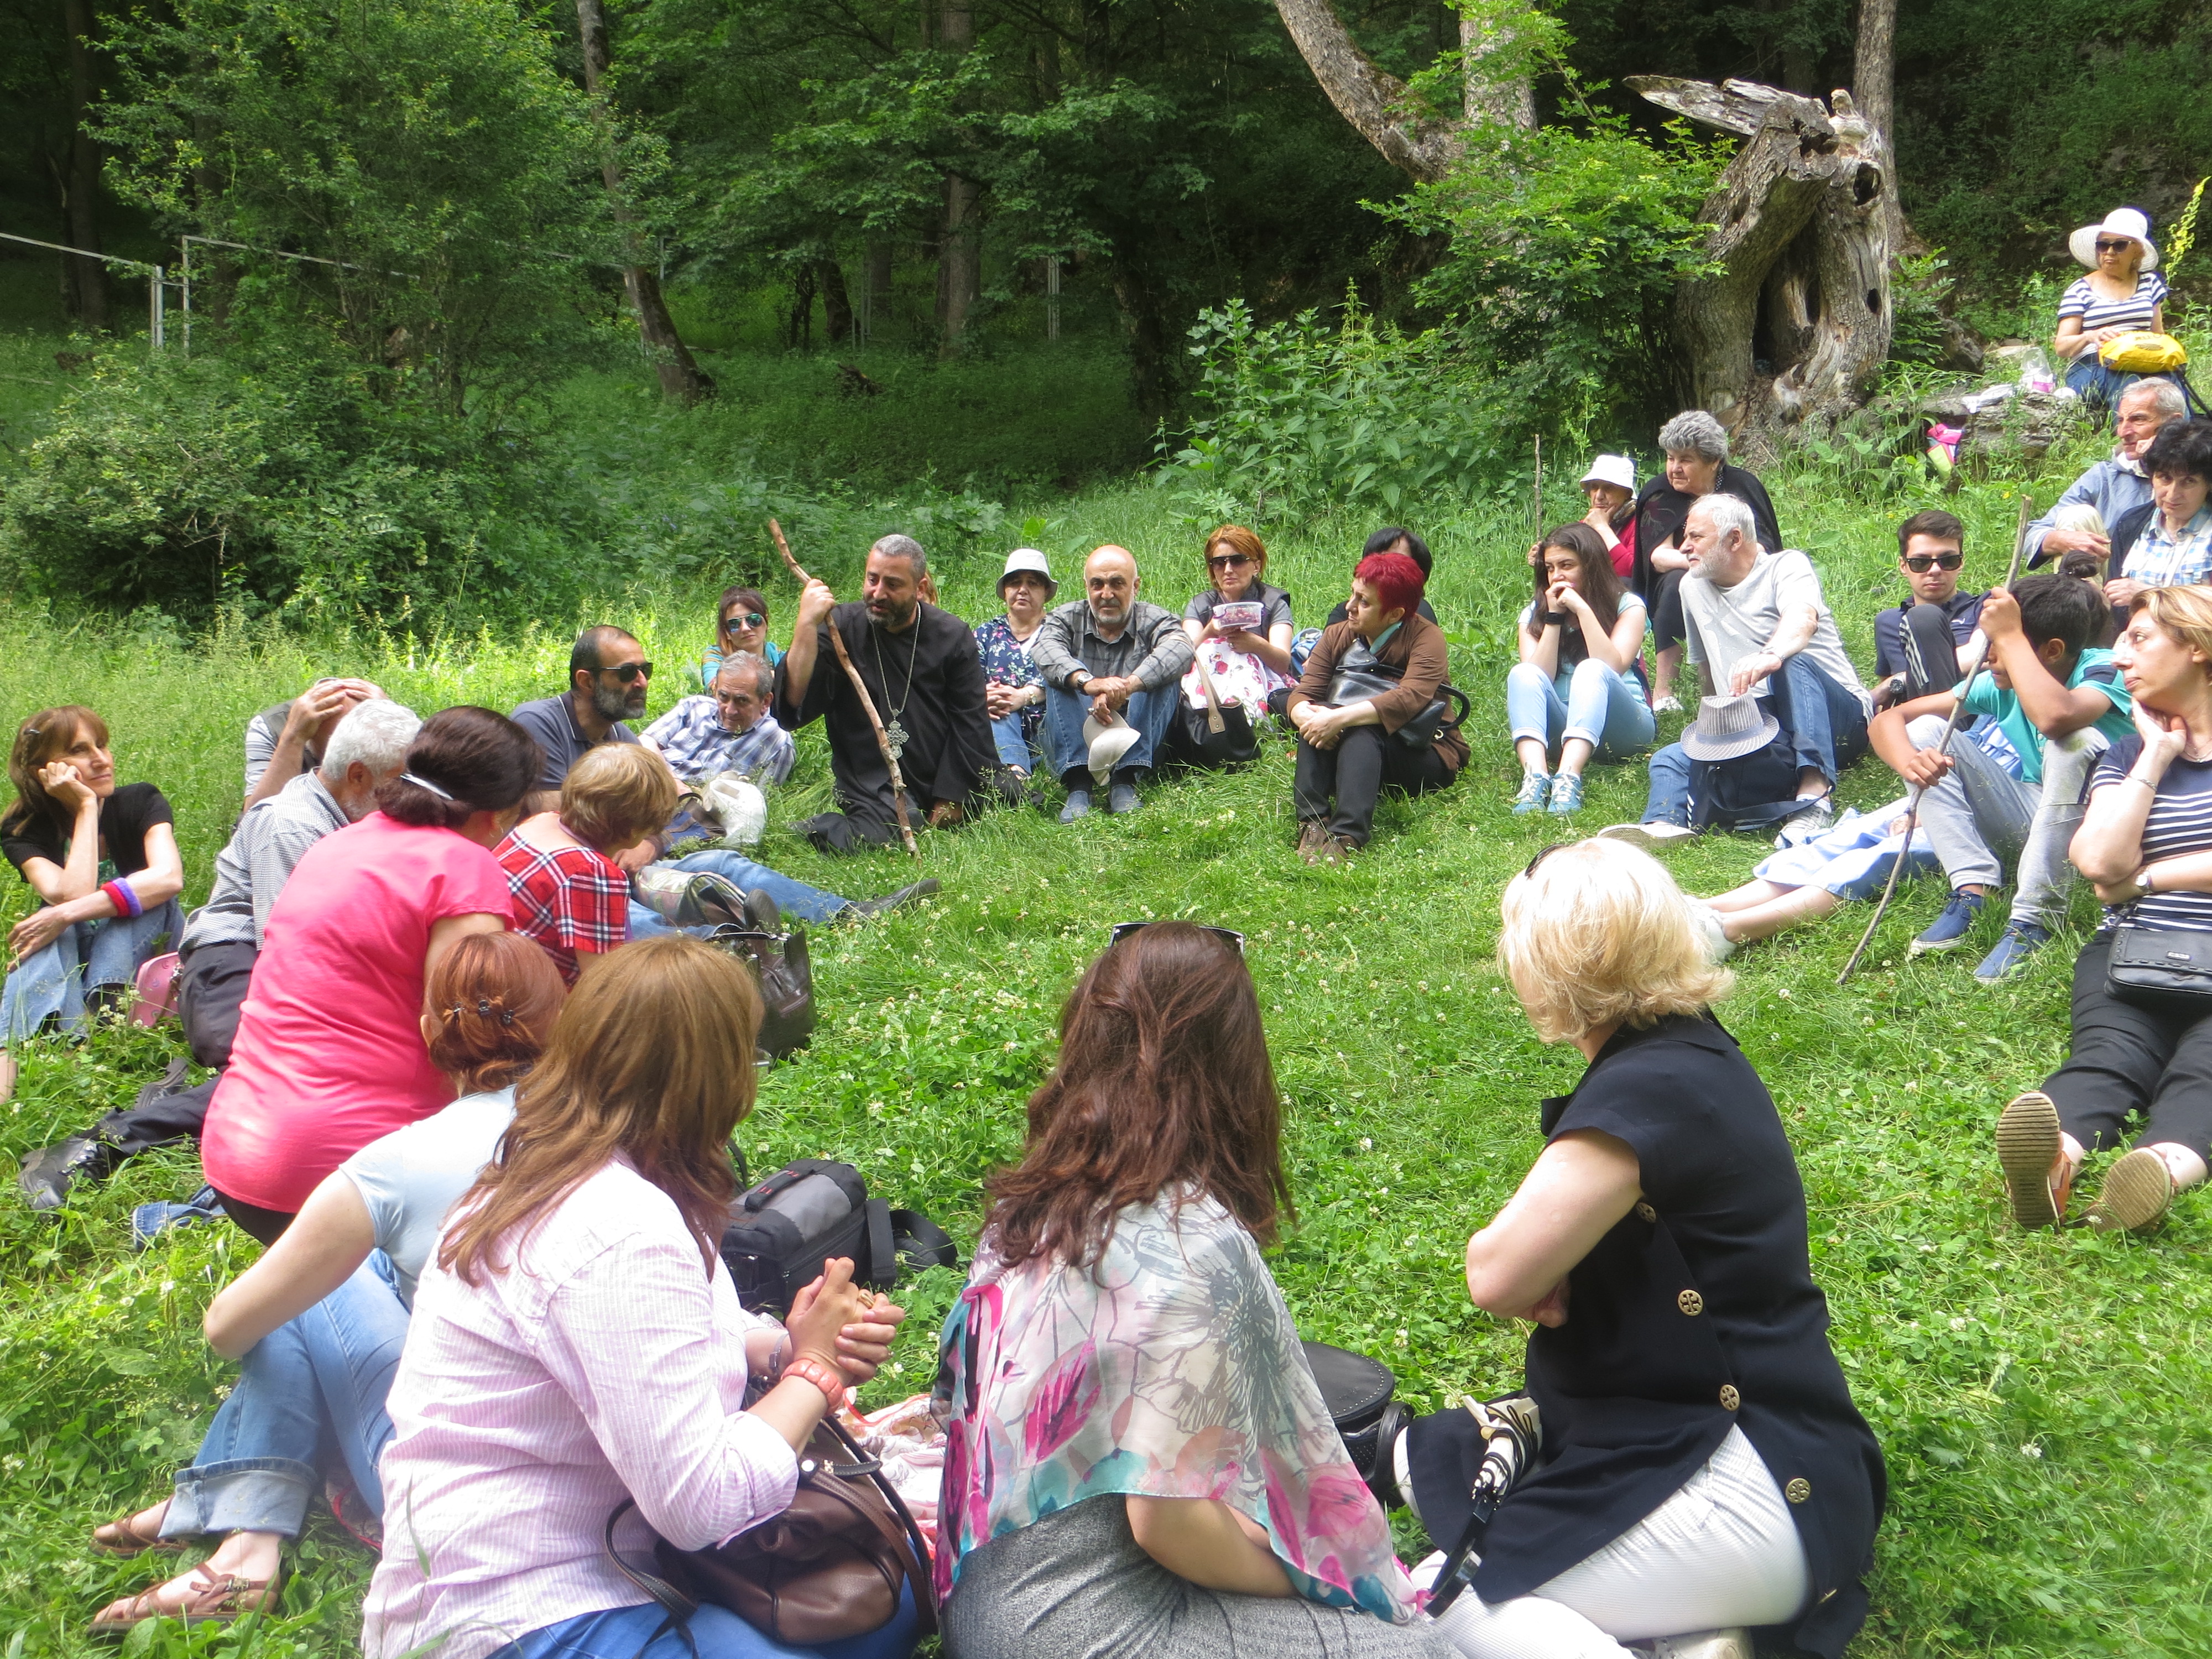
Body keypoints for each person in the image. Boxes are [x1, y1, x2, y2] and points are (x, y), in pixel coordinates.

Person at [362, 935, 916, 1659]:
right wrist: (815, 1372)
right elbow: (700, 1505)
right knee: (886, 1596)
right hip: (526, 1612)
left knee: (882, 1597)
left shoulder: (552, 1170)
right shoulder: (622, 1229)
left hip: (483, 1571)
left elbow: (662, 1338)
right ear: (715, 1082)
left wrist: (784, 1344)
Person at [935, 921, 1451, 1659]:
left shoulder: (1031, 1206)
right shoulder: (1191, 1241)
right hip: (1084, 1630)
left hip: (977, 1605)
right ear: (1233, 1064)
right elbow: (1165, 1527)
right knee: (1424, 1650)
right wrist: (1315, 1594)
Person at [1431, 838, 1884, 1659]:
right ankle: (1687, 1635)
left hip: (1755, 1485)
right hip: (1795, 1451)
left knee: (1440, 1599)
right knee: (1446, 1465)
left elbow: (1494, 1276)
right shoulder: (1688, 1052)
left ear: (1547, 970)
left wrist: (1542, 1265)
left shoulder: (1644, 1089)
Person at [87, 933, 562, 1632]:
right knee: (360, 1266)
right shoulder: (610, 1139)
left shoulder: (399, 1163)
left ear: (428, 1029)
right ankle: (243, 1522)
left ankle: (245, 1532)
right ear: (562, 1023)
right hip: (583, 1490)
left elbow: (227, 1329)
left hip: (453, 1497)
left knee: (314, 1280)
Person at [15, 701, 422, 1214]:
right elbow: (292, 954)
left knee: (304, 1068)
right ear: (358, 776)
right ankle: (100, 1143)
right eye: (401, 782)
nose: (411, 798)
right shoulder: (295, 826)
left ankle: (179, 1103)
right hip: (232, 957)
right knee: (286, 1069)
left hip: (279, 959)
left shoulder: (363, 817)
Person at [200, 706, 539, 1245]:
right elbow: (468, 1038)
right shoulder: (463, 866)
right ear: (500, 816)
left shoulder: (337, 842)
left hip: (237, 1154)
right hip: (345, 1180)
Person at [1996, 585, 2212, 1237]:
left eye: (2139, 639)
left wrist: (2145, 878)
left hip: (2147, 920)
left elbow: (2121, 877)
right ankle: (2052, 1164)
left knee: (2205, 1069)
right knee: (2107, 1057)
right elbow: (2095, 861)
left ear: (2197, 647)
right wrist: (2155, 757)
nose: (2119, 657)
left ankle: (2155, 1171)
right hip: (2134, 952)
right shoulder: (2127, 754)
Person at [1867, 574, 2135, 973]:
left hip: (2107, 833)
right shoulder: (1999, 683)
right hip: (2039, 818)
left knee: (2074, 740)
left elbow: (2057, 718)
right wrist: (1909, 761)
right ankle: (1974, 888)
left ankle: (2035, 917)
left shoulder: (2103, 668)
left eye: (1999, 645)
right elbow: (1890, 720)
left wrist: (2009, 635)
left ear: (2053, 650)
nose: (1986, 656)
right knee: (1926, 732)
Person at [1609, 495, 1867, 848]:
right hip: (1761, 724)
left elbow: (1802, 619)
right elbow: (1707, 668)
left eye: (1696, 537)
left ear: (1734, 539)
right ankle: (1664, 824)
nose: (1684, 547)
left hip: (1836, 717)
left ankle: (1814, 799)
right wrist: (1711, 729)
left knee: (1792, 663)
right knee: (1671, 757)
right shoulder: (1692, 586)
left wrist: (1770, 655)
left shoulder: (1786, 566)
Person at [777, 533, 999, 853]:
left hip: (941, 766)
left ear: (920, 588)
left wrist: (953, 796)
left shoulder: (952, 635)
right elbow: (793, 699)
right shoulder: (842, 627)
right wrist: (806, 625)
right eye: (872, 579)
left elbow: (971, 722)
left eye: (893, 584)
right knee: (888, 832)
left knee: (1006, 794)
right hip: (872, 775)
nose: (878, 593)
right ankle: (816, 828)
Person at [2, 707, 184, 1045]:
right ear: (42, 771)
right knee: (48, 930)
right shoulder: (22, 829)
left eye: (101, 745)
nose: (101, 760)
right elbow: (72, 893)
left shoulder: (141, 800)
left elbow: (169, 877)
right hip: (75, 954)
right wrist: (86, 809)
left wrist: (63, 914)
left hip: (144, 947)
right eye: (79, 751)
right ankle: (16, 1059)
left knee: (121, 907)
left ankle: (97, 1023)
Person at [1287, 551, 1466, 860]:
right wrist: (1304, 713)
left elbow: (1409, 697)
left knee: (1360, 730)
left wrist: (1340, 718)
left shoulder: (1427, 638)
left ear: (1395, 614)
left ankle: (1347, 835)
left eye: (1364, 602)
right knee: (1316, 717)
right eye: (1353, 594)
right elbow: (1305, 690)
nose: (1349, 607)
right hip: (1354, 749)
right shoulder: (1337, 634)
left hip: (1423, 751)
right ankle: (1312, 823)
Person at [1624, 413, 1783, 713]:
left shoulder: (1743, 486)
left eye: (1686, 460)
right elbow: (1658, 556)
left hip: (1740, 573)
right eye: (1670, 458)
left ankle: (1734, 679)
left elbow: (1762, 546)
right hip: (1676, 576)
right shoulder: (1660, 490)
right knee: (1680, 583)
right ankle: (1664, 692)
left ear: (1714, 462)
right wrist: (1703, 565)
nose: (1675, 468)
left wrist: (1723, 566)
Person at [1030, 544, 1197, 820]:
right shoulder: (1065, 618)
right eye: (1097, 584)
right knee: (1060, 673)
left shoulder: (1156, 619)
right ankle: (1078, 784)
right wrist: (1087, 683)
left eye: (1117, 583)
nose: (1106, 594)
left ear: (1136, 586)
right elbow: (1045, 649)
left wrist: (1127, 686)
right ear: (1086, 586)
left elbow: (1182, 649)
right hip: (1075, 731)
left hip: (1136, 732)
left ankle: (1125, 779)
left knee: (1164, 672)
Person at [500, 744, 681, 985]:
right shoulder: (593, 872)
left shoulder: (541, 822)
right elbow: (601, 980)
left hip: (498, 968)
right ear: (635, 830)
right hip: (537, 994)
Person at [1506, 524, 1653, 816]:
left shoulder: (1628, 606)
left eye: (1567, 566)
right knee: (1522, 672)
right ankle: (1535, 778)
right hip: (1562, 728)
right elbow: (1539, 677)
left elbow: (1612, 666)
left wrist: (1583, 610)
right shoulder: (1534, 613)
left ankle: (1568, 778)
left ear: (1591, 565)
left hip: (1624, 728)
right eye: (1550, 568)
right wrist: (1554, 618)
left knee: (1592, 669)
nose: (1557, 576)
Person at [2025, 378, 2188, 567]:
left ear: (2174, 423)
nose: (2123, 432)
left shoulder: (2200, 473)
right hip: (2112, 577)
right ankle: (2080, 588)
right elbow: (2035, 534)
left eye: (2138, 419)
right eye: (2121, 420)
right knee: (2075, 515)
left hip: (2184, 578)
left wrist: (2161, 457)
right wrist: (2061, 540)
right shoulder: (2104, 476)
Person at [512, 627, 653, 825]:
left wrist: (647, 838)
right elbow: (555, 819)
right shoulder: (537, 722)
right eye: (627, 673)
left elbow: (652, 813)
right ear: (587, 681)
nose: (642, 683)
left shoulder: (621, 737)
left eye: (645, 670)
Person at [2054, 207, 2170, 411]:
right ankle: (2128, 431)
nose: (2109, 252)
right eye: (2103, 245)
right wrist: (2091, 336)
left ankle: (2183, 432)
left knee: (2169, 387)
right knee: (2130, 385)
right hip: (2093, 364)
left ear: (2137, 250)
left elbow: (2158, 335)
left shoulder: (2150, 283)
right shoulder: (2080, 289)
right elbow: (2062, 347)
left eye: (2119, 245)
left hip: (2142, 359)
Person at [1870, 509, 1986, 708]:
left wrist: (1900, 680)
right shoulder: (1887, 622)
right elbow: (1885, 699)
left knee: (1925, 618)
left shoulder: (1984, 606)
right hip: (1911, 721)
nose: (1935, 570)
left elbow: (1982, 654)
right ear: (1903, 566)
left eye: (1948, 561)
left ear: (1961, 562)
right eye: (1920, 562)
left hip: (1967, 715)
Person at [2105, 416, 2212, 612]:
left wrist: (2150, 594)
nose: (2172, 494)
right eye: (2165, 478)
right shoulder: (2131, 525)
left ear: (2209, 484)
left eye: (2188, 481)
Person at [645, 653, 797, 787]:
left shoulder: (777, 743)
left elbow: (756, 804)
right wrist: (674, 784)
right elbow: (645, 742)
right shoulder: (695, 706)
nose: (730, 710)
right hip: (648, 781)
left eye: (742, 700)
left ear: (765, 702)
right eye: (723, 697)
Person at [243, 677, 384, 810]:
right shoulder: (271, 725)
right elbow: (255, 817)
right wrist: (293, 738)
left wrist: (390, 719)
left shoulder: (381, 720)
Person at [973, 548, 1056, 778]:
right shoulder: (986, 634)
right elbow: (965, 681)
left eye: (1033, 583)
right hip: (998, 726)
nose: (1023, 590)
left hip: (1050, 729)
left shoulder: (1060, 631)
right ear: (1005, 590)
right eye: (1015, 583)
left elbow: (1068, 676)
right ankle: (1016, 774)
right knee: (1000, 707)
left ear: (1046, 591)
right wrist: (986, 696)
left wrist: (1024, 697)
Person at [1326, 528, 1439, 627]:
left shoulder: (1419, 618)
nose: (1383, 568)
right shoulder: (1344, 613)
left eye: (1395, 562)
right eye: (1376, 561)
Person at [699, 585, 784, 690]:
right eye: (734, 624)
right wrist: (777, 677)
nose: (745, 628)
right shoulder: (715, 657)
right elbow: (716, 688)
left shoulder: (775, 654)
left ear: (766, 622)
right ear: (726, 632)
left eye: (753, 619)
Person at [1577, 455, 1639, 573]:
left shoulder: (1639, 525)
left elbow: (1629, 572)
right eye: (1594, 488)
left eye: (1609, 488)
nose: (1599, 496)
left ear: (1627, 493)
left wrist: (1602, 528)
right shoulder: (1585, 525)